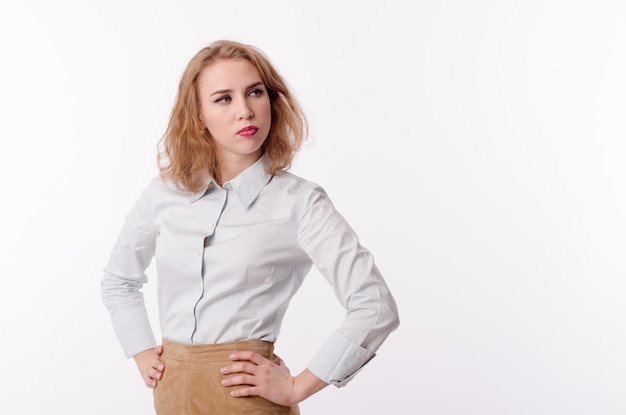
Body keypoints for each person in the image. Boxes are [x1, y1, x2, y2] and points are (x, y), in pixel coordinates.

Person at [101, 39, 400, 414]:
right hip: (171, 396)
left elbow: (374, 305)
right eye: (223, 98)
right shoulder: (164, 194)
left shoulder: (300, 202)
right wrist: (142, 352)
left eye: (254, 92)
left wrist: (297, 387)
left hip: (248, 401)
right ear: (197, 116)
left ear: (271, 100)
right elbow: (119, 280)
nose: (245, 111)